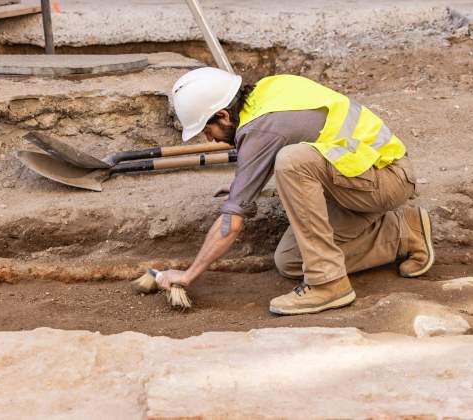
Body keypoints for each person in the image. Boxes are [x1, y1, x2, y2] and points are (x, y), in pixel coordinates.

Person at [155, 67, 434, 315]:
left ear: (223, 115)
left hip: (388, 177)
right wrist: (246, 184)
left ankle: (328, 284)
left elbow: (233, 220)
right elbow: (303, 138)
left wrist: (190, 274)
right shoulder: (267, 91)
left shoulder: (262, 129)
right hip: (356, 179)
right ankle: (404, 233)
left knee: (291, 162)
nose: (209, 138)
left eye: (207, 129)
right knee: (290, 261)